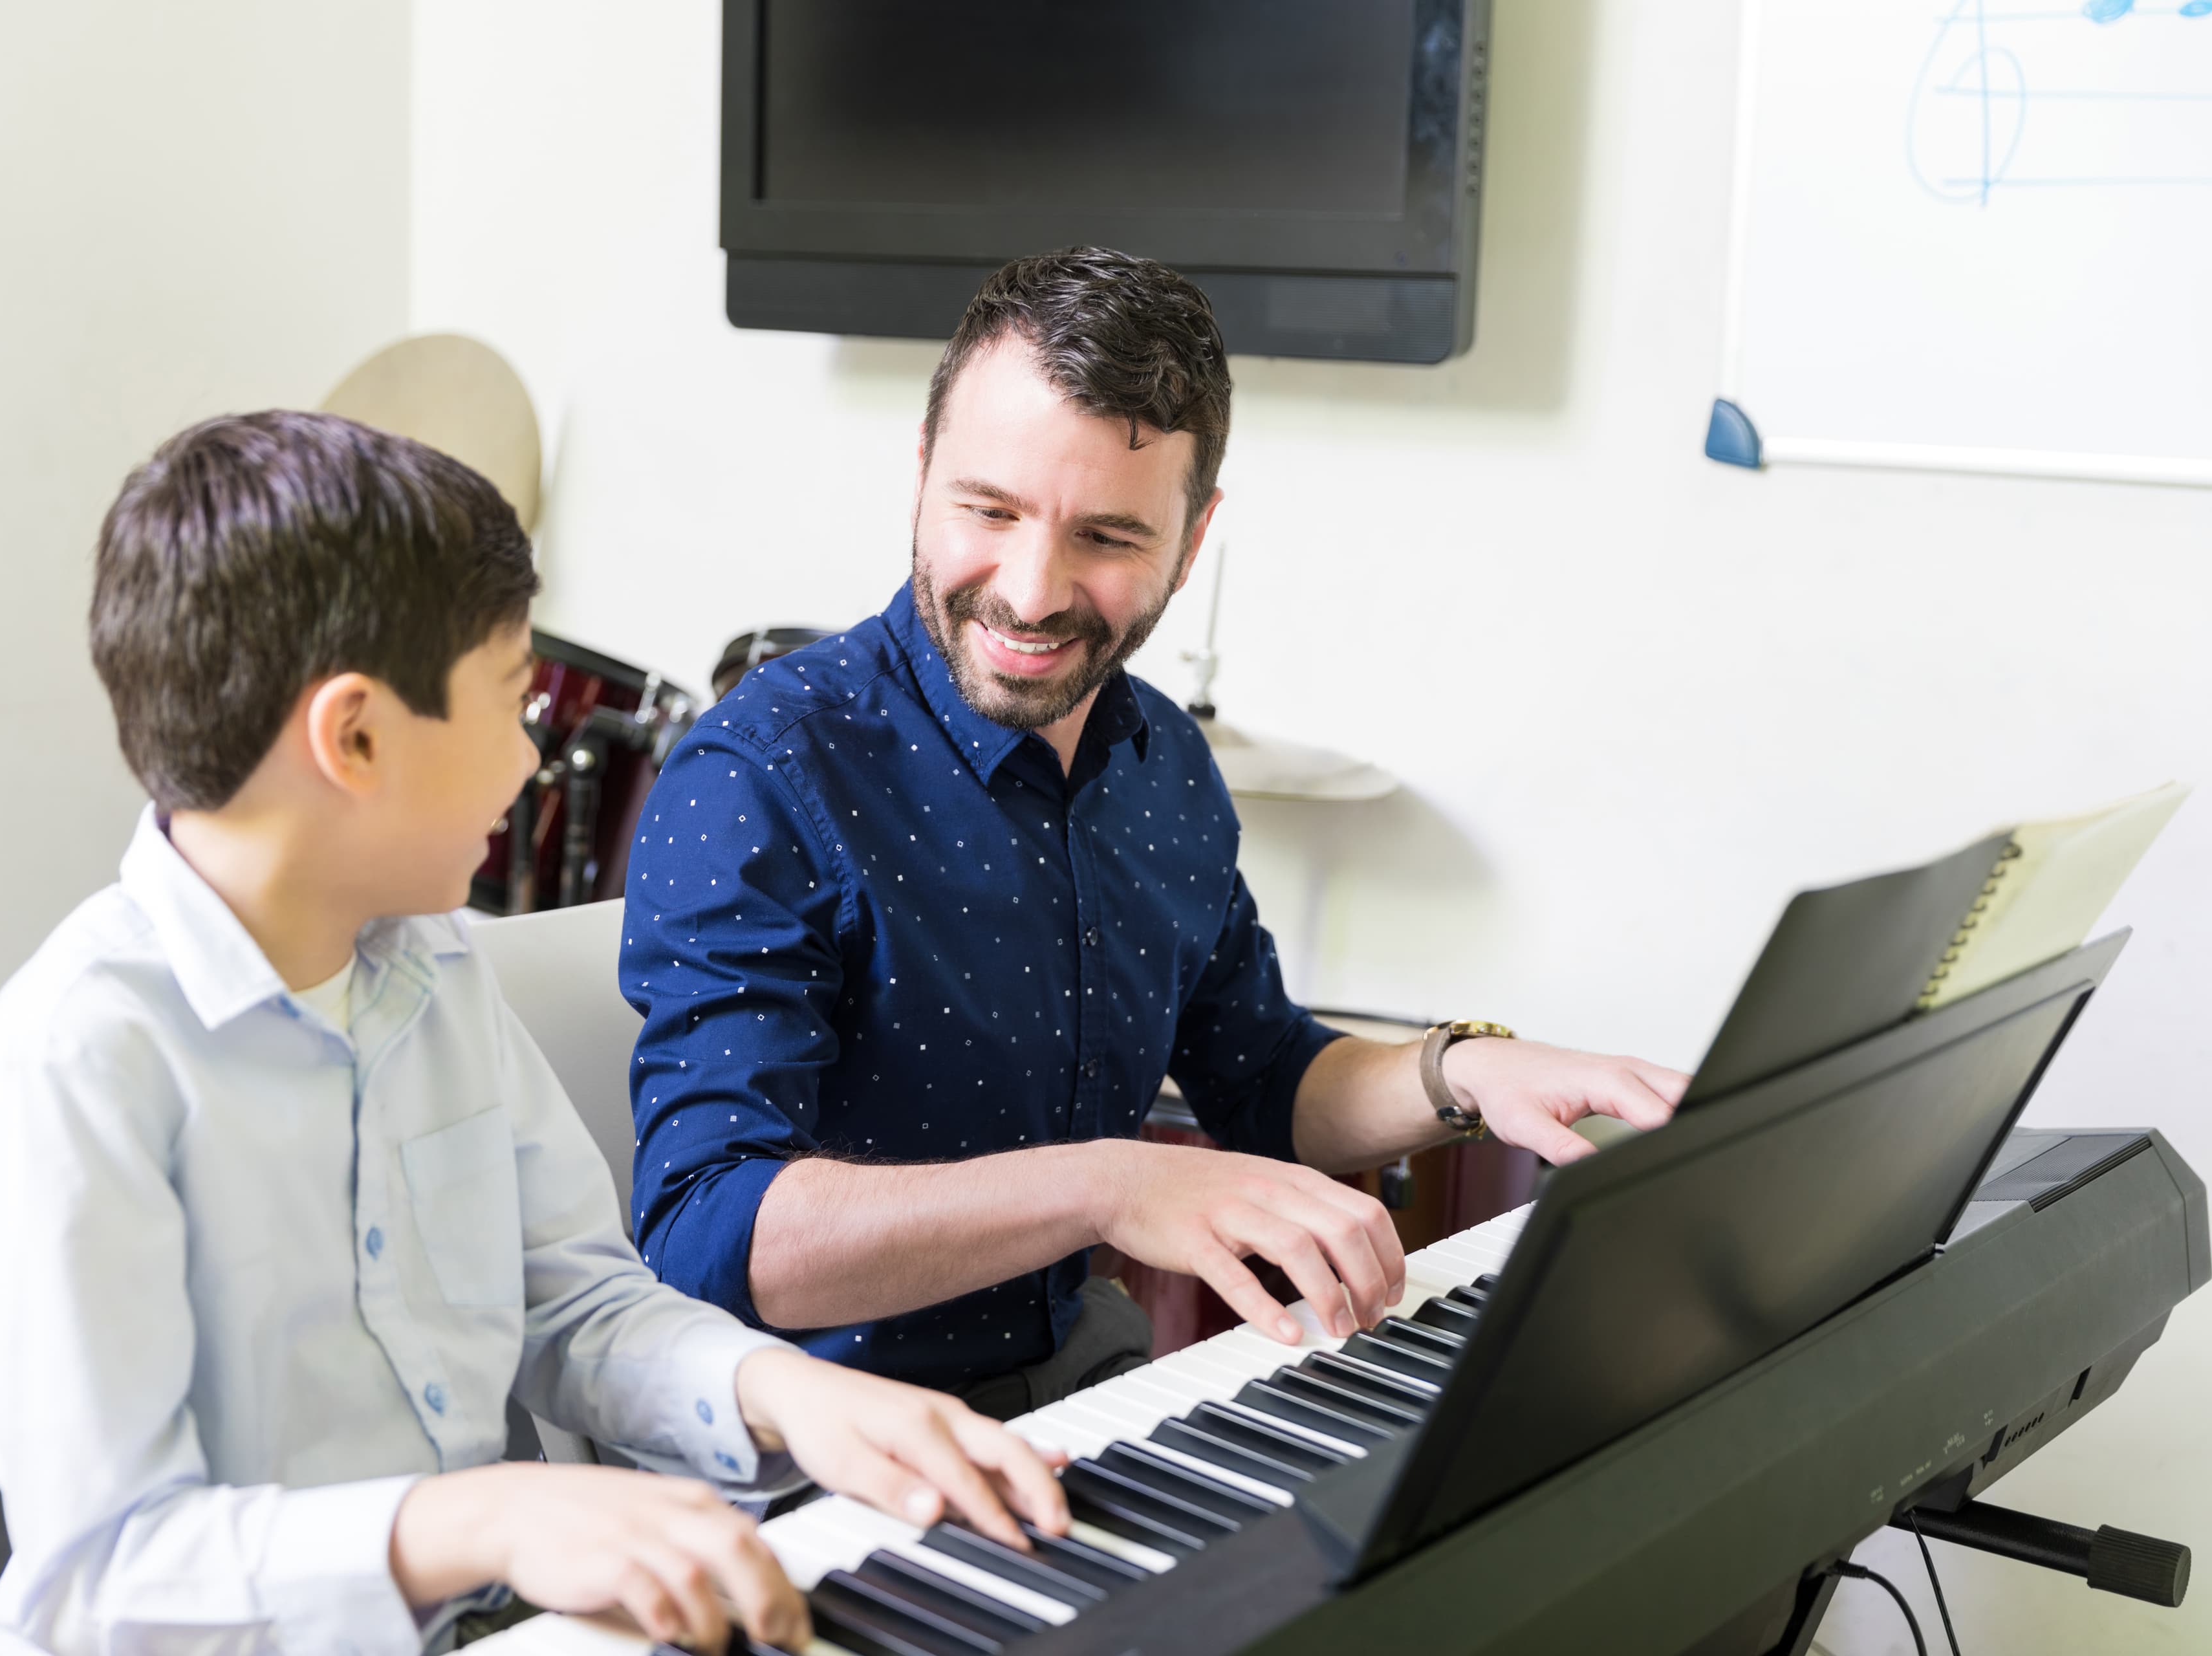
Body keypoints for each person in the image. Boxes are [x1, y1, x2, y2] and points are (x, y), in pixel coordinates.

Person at [0, 411, 1066, 1656]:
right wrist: (487, 1520)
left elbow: (576, 1306)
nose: (528, 762)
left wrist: (791, 1394)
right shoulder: (78, 1069)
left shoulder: (441, 968)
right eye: (512, 703)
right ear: (356, 737)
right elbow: (105, 1577)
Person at [619, 248, 1689, 1418]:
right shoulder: (761, 774)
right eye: (989, 510)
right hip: (823, 1441)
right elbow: (709, 1233)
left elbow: (1267, 1080)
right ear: (922, 472)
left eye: (1108, 538)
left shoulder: (1164, 761)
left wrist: (1461, 1068)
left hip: (1084, 1398)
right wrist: (1106, 1189)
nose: (1032, 591)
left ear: (1192, 535)